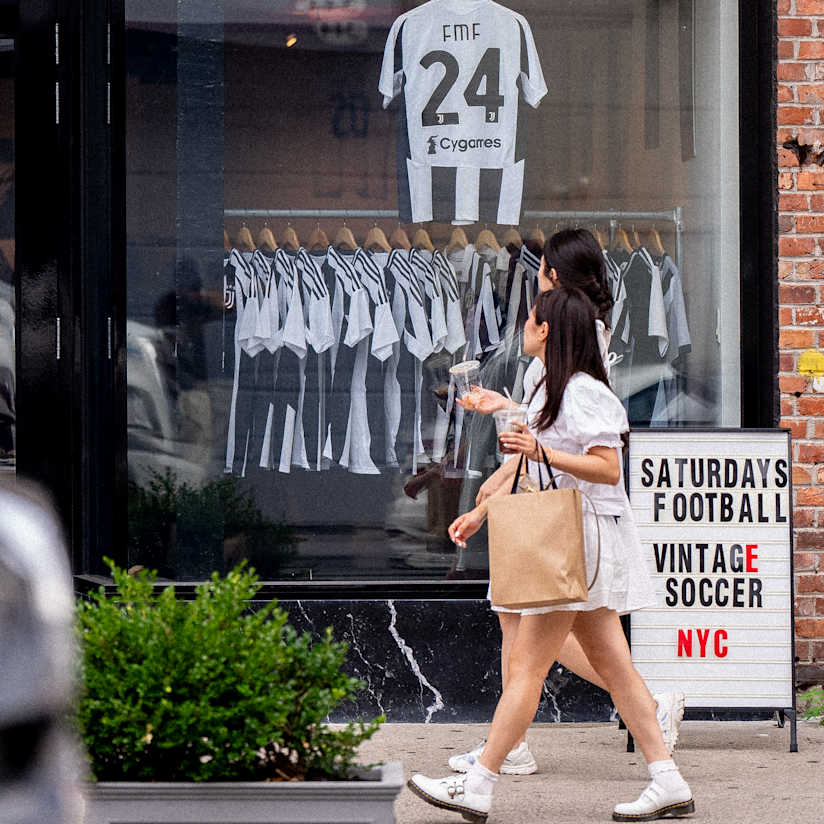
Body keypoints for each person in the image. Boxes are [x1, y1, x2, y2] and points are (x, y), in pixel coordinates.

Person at [408, 287, 694, 822]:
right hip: (577, 538)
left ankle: (480, 782)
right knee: (616, 667)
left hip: (576, 539)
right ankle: (668, 779)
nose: (524, 326)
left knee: (526, 667)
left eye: (531, 319)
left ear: (546, 331)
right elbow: (544, 447)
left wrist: (538, 448)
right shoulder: (555, 389)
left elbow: (608, 467)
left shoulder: (584, 391)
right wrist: (489, 487)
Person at [447, 229, 684, 776]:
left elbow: (577, 447)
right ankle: (660, 766)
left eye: (541, 272)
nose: (533, 279)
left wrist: (521, 453)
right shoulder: (569, 353)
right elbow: (547, 432)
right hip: (550, 513)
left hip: (567, 522)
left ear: (553, 283)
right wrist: (506, 422)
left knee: (536, 648)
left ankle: (492, 765)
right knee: (574, 643)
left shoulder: (577, 361)